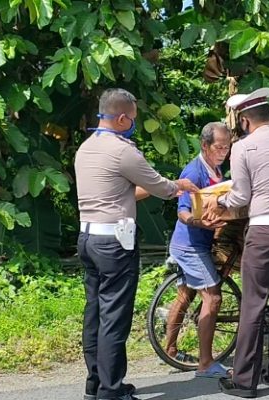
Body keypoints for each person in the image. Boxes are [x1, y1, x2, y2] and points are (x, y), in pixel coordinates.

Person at [75, 88, 199, 400]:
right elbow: (160, 186)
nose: (133, 124)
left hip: (88, 239)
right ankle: (111, 390)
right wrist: (178, 186)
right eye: (131, 119)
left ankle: (96, 384)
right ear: (120, 118)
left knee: (94, 314)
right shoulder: (123, 150)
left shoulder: (86, 148)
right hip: (115, 244)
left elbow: (121, 192)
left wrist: (163, 188)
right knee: (114, 317)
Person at [203, 88, 269, 398]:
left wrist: (219, 203)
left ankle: (244, 382)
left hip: (265, 232)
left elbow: (241, 197)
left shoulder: (244, 147)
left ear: (246, 120)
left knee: (254, 304)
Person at [164, 122, 232, 378]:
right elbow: (183, 211)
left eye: (227, 147)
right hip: (190, 245)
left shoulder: (215, 167)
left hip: (196, 243)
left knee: (186, 295)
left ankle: (170, 350)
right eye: (218, 147)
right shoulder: (194, 172)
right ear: (204, 145)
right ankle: (205, 363)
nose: (223, 152)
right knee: (212, 297)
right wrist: (199, 221)